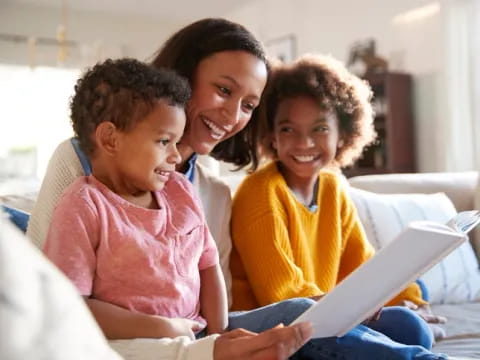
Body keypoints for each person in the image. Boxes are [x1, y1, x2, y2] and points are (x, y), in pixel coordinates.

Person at [230, 54, 448, 359]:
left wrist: (408, 300)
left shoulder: (333, 188)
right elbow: (282, 295)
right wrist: (351, 313)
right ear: (272, 137)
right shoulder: (260, 192)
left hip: (327, 314)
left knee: (412, 326)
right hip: (277, 328)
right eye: (288, 129)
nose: (304, 143)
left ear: (342, 134)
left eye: (319, 129)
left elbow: (363, 265)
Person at [0, 210, 312, 360]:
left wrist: (216, 334)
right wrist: (178, 334)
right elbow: (73, 310)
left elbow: (208, 261)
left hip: (197, 326)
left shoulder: (177, 187)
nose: (174, 155)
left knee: (303, 312)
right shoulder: (83, 202)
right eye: (164, 142)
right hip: (147, 332)